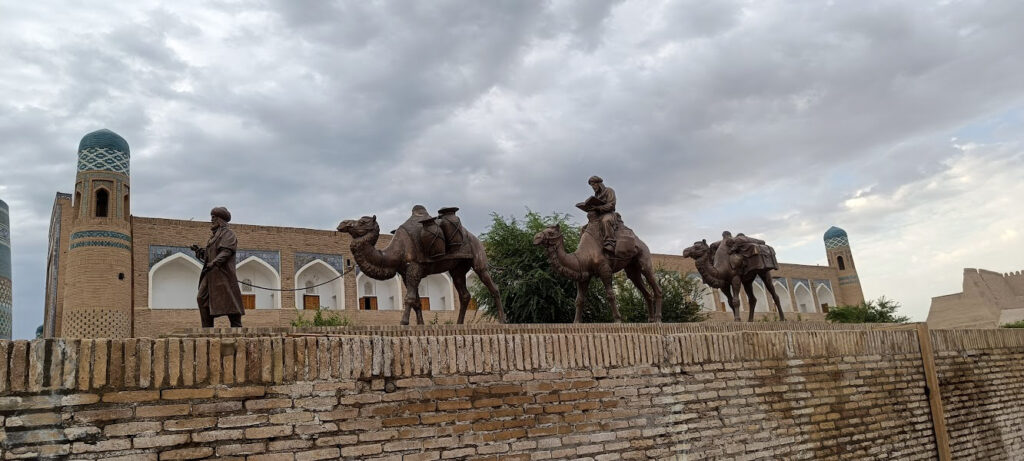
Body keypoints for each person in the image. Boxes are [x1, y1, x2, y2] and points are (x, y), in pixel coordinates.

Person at [191, 207, 244, 328]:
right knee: (201, 298)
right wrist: (199, 251)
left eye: (213, 218)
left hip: (223, 275)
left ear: (220, 220)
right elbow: (210, 256)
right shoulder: (213, 237)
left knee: (231, 302)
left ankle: (237, 329)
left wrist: (214, 263)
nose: (211, 220)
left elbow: (226, 252)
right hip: (211, 275)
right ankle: (207, 328)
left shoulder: (228, 234)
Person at [580, 176, 618, 252]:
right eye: (591, 186)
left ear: (599, 183)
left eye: (594, 185)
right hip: (598, 215)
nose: (593, 187)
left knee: (605, 221)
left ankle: (609, 242)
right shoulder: (596, 196)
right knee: (583, 228)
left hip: (608, 214)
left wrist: (598, 208)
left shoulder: (609, 191)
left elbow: (611, 205)